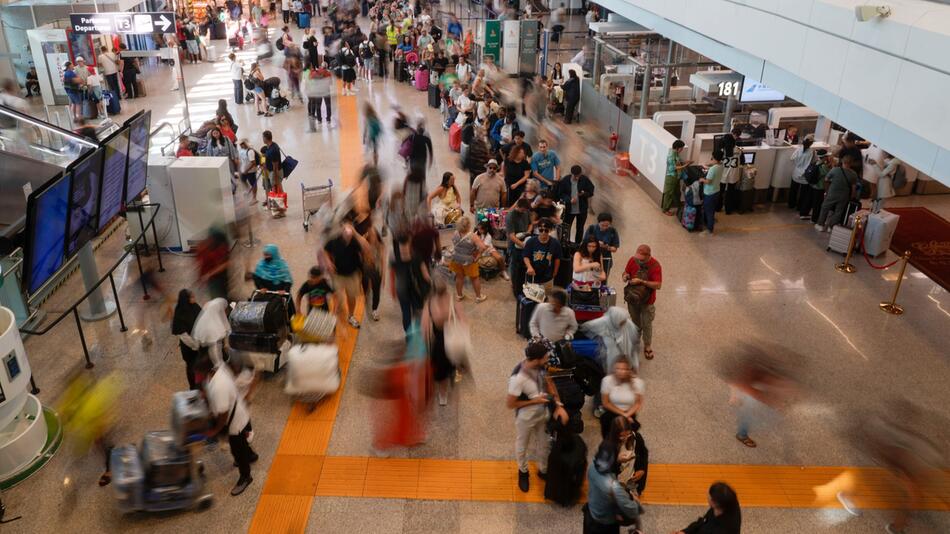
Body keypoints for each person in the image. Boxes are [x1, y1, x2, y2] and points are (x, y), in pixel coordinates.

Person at [508, 341, 569, 493]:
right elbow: (511, 403)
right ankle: (523, 471)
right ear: (537, 359)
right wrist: (534, 401)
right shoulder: (518, 378)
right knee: (522, 445)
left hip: (543, 414)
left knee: (544, 444)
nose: (548, 359)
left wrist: (558, 404)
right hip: (525, 417)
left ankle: (543, 470)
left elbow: (549, 383)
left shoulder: (541, 366)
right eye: (546, 357)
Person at [198, 353, 258, 497]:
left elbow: (224, 414)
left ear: (205, 370)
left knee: (237, 451)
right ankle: (251, 455)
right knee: (241, 445)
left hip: (235, 423)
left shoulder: (219, 386)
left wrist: (216, 430)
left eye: (198, 372)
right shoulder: (216, 371)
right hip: (239, 414)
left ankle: (246, 477)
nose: (197, 376)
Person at [584, 417, 643, 534]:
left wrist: (617, 460)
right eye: (622, 436)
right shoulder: (613, 486)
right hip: (605, 523)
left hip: (591, 514)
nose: (624, 439)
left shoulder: (592, 469)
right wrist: (636, 502)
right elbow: (630, 509)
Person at [321, 222, 371, 329]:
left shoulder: (356, 241)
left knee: (352, 298)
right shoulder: (334, 241)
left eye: (350, 233)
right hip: (338, 275)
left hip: (352, 275)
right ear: (342, 232)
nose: (347, 236)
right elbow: (325, 250)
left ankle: (351, 316)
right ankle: (336, 315)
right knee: (337, 298)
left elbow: (367, 248)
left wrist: (356, 234)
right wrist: (328, 262)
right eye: (345, 232)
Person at [421, 280, 463, 406]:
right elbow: (463, 320)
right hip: (453, 339)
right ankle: (454, 372)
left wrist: (426, 344)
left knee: (441, 371)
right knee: (451, 362)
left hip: (439, 343)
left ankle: (443, 395)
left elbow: (425, 327)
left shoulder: (430, 304)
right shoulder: (452, 301)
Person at [622, 245, 662, 361]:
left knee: (647, 323)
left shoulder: (655, 265)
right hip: (632, 298)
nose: (639, 260)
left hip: (647, 301)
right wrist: (625, 276)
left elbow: (658, 285)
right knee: (635, 322)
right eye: (638, 257)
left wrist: (642, 281)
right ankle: (635, 341)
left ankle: (648, 345)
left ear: (648, 256)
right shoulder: (632, 260)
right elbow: (625, 272)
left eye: (642, 258)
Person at [580, 307, 641, 374]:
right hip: (610, 358)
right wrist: (600, 338)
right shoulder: (603, 322)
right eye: (621, 322)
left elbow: (635, 346)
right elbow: (585, 326)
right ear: (615, 320)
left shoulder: (628, 324)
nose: (623, 324)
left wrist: (635, 364)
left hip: (625, 359)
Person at [390, 232, 431, 331]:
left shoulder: (394, 257)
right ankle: (419, 333)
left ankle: (409, 336)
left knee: (406, 313)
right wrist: (431, 286)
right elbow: (425, 275)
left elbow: (392, 275)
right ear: (409, 242)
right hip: (416, 289)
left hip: (402, 289)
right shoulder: (416, 255)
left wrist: (392, 289)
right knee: (418, 312)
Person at [544, 417, 588, 507]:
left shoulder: (557, 450)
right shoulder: (579, 442)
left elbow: (552, 471)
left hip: (561, 482)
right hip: (572, 481)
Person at [599, 359, 644, 439]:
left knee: (629, 437)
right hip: (611, 413)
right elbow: (606, 403)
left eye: (624, 369)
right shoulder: (607, 381)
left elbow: (638, 403)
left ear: (629, 370)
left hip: (629, 413)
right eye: (618, 369)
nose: (621, 372)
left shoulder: (638, 383)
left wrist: (627, 414)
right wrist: (624, 415)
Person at [674, 482, 742, 534]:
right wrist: (685, 532)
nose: (707, 495)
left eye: (709, 495)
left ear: (714, 502)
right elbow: (703, 522)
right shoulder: (726, 504)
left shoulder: (724, 529)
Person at [448, 216, 487, 302]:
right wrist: (478, 256)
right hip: (468, 261)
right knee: (474, 278)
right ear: (469, 225)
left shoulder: (455, 233)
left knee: (459, 277)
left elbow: (454, 243)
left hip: (457, 259)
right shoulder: (473, 236)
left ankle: (459, 295)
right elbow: (483, 247)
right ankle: (478, 297)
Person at [815, 154, 859, 232]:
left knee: (825, 208)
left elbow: (826, 179)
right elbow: (853, 188)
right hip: (844, 195)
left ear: (842, 161)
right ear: (851, 163)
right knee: (839, 211)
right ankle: (831, 227)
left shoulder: (835, 170)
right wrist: (852, 196)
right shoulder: (853, 174)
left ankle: (820, 225)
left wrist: (827, 190)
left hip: (832, 193)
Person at [172, 289, 203, 390]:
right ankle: (193, 386)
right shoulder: (179, 314)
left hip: (198, 342)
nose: (194, 298)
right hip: (189, 347)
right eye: (192, 297)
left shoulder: (194, 306)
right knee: (191, 366)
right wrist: (195, 345)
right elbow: (183, 336)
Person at [556, 165, 595, 244]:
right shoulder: (565, 180)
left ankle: (577, 245)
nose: (577, 177)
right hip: (569, 210)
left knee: (580, 228)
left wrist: (583, 194)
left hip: (582, 210)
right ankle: (566, 243)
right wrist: (569, 200)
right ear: (571, 174)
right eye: (575, 176)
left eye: (579, 175)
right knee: (566, 228)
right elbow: (560, 193)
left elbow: (591, 191)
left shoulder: (584, 179)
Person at [523, 219, 562, 292]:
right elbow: (526, 256)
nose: (543, 232)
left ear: (550, 230)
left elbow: (557, 258)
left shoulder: (555, 243)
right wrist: (529, 267)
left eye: (546, 230)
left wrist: (555, 272)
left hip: (547, 277)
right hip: (532, 277)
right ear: (538, 230)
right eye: (541, 230)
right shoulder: (531, 241)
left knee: (546, 297)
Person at [192, 297, 231, 367]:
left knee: (213, 346)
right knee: (215, 345)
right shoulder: (220, 306)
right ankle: (219, 364)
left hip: (204, 328)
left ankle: (217, 363)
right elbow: (225, 323)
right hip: (211, 330)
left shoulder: (212, 305)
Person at [583, 213, 620, 277]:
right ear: (598, 222)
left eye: (607, 225)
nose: (605, 227)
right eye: (602, 225)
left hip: (605, 259)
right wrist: (596, 243)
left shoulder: (613, 231)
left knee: (603, 279)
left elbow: (615, 248)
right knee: (588, 278)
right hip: (591, 258)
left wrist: (607, 247)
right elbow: (584, 243)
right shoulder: (591, 229)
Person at [799, 149, 831, 222]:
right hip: (819, 187)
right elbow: (829, 175)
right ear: (824, 157)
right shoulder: (823, 166)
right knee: (817, 204)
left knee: (808, 200)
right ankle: (814, 219)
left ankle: (803, 214)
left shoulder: (815, 163)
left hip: (811, 185)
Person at [662, 140, 691, 215]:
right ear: (677, 148)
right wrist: (685, 165)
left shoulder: (676, 154)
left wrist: (687, 162)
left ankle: (678, 205)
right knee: (669, 194)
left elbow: (679, 162)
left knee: (677, 192)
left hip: (676, 177)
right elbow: (673, 168)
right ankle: (665, 209)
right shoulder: (671, 156)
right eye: (681, 148)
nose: (682, 150)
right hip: (671, 177)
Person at [304, 61, 334, 130]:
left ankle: (319, 119)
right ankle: (328, 119)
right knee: (328, 105)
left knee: (318, 105)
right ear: (326, 67)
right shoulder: (328, 73)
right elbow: (330, 83)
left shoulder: (315, 72)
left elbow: (310, 78)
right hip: (326, 91)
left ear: (321, 66)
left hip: (318, 91)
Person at [700, 149, 724, 234]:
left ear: (713, 158)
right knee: (712, 210)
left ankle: (710, 228)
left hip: (709, 193)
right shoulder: (721, 166)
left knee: (708, 211)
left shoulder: (713, 169)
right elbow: (712, 167)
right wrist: (707, 166)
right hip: (716, 191)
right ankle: (709, 224)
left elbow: (708, 181)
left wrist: (702, 180)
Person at [788, 136, 816, 210]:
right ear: (811, 143)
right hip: (805, 175)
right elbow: (814, 162)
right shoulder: (812, 152)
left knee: (793, 190)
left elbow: (792, 158)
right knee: (803, 193)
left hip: (796, 173)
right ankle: (799, 207)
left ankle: (791, 204)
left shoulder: (799, 149)